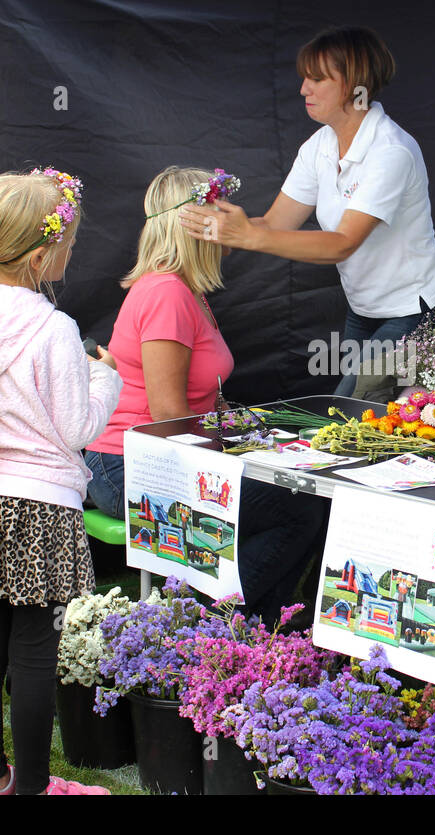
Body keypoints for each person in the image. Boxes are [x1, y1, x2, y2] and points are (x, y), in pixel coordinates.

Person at [0, 168, 123, 796]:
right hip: (41, 505)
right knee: (35, 646)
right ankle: (36, 788)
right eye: (66, 244)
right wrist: (106, 380)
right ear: (41, 256)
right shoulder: (53, 329)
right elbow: (75, 430)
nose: (71, 252)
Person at [84, 166, 325, 625]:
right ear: (192, 224)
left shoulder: (185, 291)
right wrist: (234, 452)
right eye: (216, 215)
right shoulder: (167, 294)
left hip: (152, 457)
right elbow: (169, 414)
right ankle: (208, 625)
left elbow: (193, 409)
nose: (227, 226)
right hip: (126, 467)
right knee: (298, 511)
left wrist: (251, 436)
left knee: (298, 501)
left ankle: (254, 631)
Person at [177, 26, 435, 397]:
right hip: (364, 309)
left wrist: (248, 235)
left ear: (356, 85)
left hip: (414, 310)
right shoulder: (319, 145)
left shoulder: (390, 151)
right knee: (365, 418)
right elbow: (274, 224)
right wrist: (219, 229)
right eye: (305, 77)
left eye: (317, 78)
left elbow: (342, 244)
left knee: (352, 410)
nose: (304, 88)